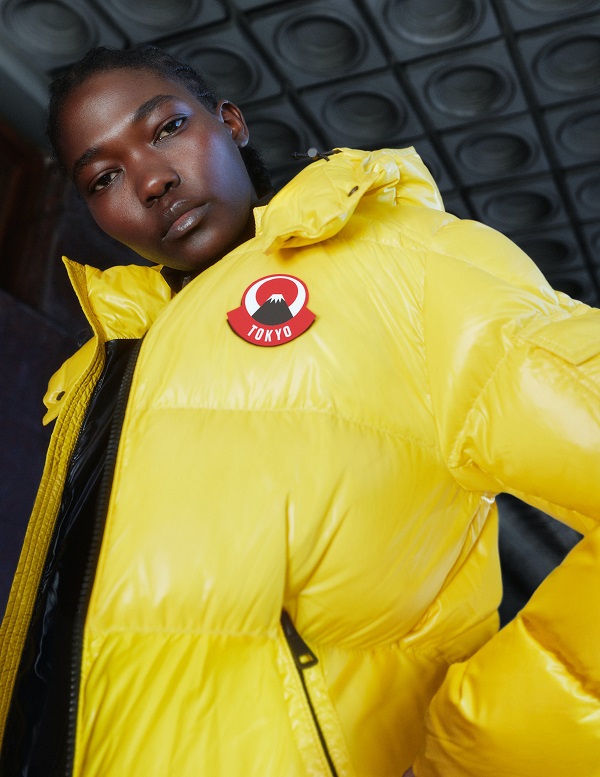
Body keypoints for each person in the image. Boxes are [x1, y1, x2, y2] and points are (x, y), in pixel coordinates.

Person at [0, 43, 599, 777]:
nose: (152, 181)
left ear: (230, 122)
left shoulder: (398, 263)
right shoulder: (98, 371)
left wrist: (481, 751)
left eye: (167, 129)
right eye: (104, 177)